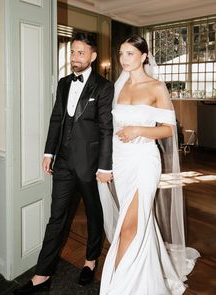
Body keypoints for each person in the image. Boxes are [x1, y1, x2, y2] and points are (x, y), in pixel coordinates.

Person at [13, 32, 114, 295]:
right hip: (64, 163)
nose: (74, 57)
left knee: (93, 215)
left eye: (81, 52)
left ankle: (90, 262)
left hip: (91, 166)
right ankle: (41, 276)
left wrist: (104, 166)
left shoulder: (104, 87)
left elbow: (106, 129)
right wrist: (49, 152)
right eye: (72, 52)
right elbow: (57, 119)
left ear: (93, 56)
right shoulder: (63, 83)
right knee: (56, 217)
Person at [98, 35, 200, 295]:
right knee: (137, 220)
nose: (123, 59)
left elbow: (168, 131)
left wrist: (138, 130)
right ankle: (145, 273)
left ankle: (117, 286)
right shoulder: (118, 86)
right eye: (121, 54)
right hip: (121, 161)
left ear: (144, 56)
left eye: (130, 54)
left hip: (144, 160)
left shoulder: (156, 87)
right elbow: (109, 130)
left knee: (130, 225)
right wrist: (105, 164)